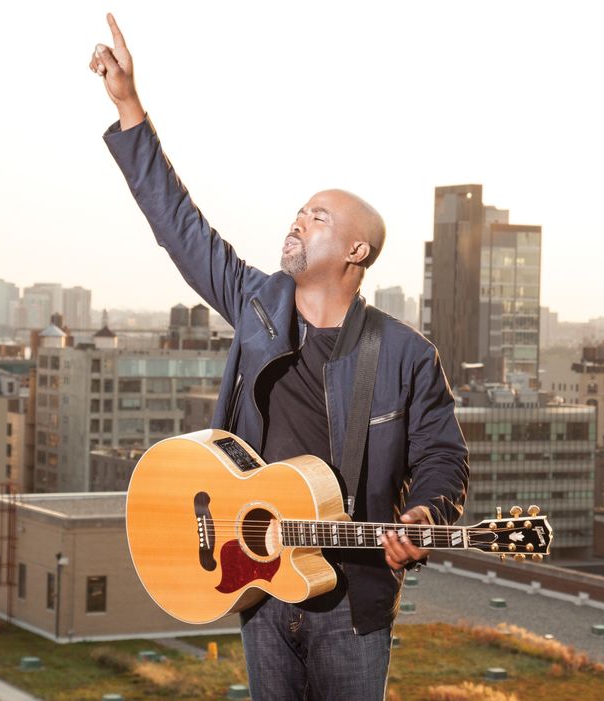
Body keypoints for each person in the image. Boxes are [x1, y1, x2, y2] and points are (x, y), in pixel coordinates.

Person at [90, 14, 468, 700]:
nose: (298, 218)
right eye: (299, 210)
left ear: (356, 251)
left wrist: (424, 519)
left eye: (318, 216)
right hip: (258, 586)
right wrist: (128, 108)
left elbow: (444, 460)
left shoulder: (405, 354)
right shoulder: (256, 303)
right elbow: (179, 227)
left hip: (352, 607)